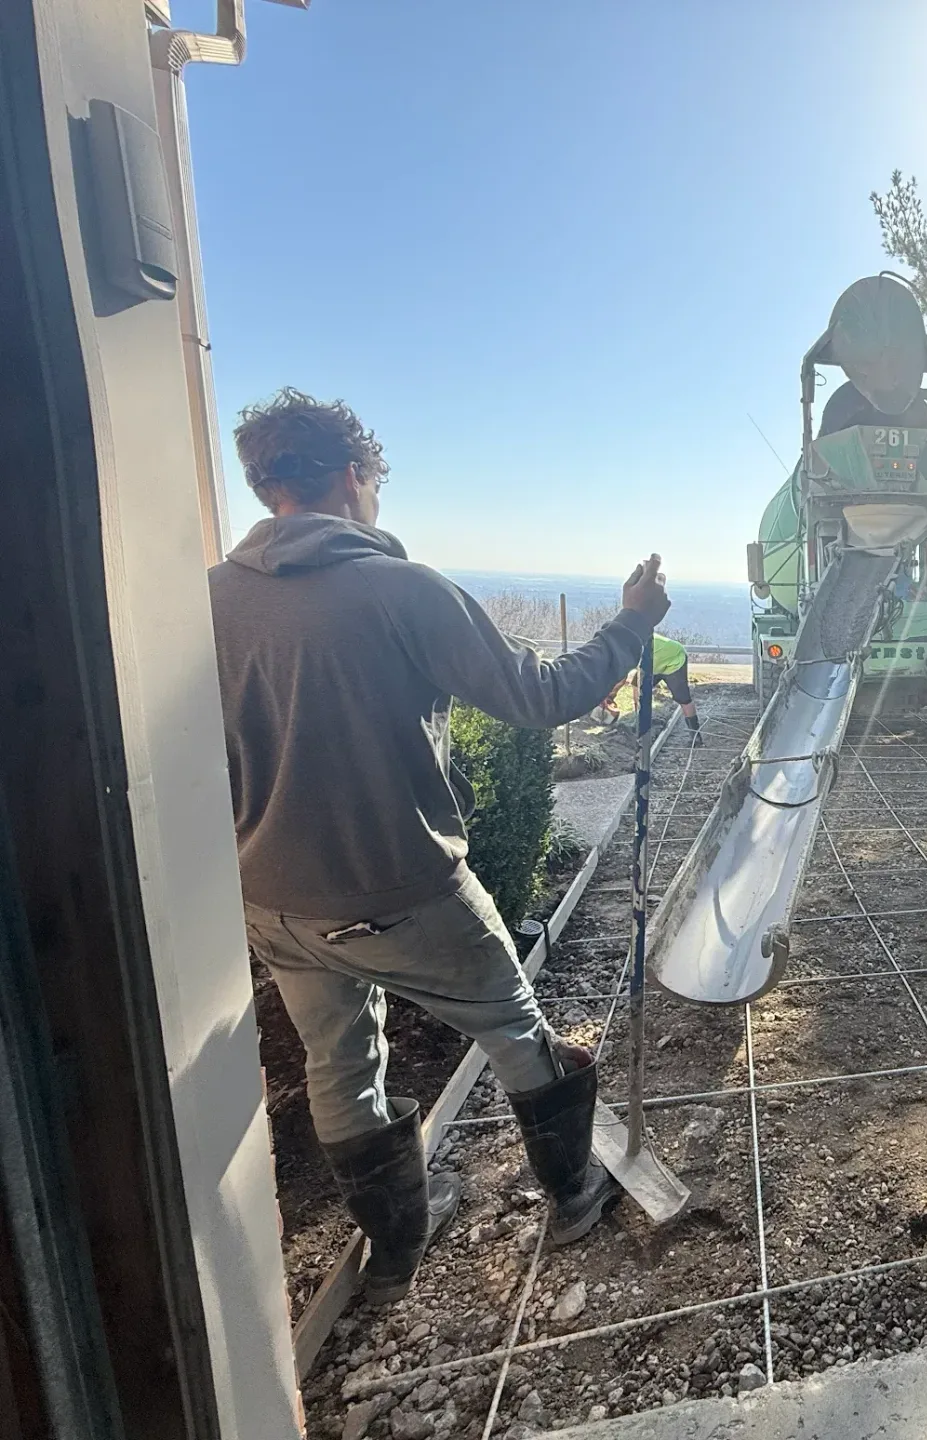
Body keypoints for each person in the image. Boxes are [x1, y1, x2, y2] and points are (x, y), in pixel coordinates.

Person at [208, 389, 669, 1307]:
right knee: (514, 1027)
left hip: (276, 904)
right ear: (351, 477)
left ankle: (395, 1252)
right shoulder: (398, 589)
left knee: (338, 1064)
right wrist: (631, 625)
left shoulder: (211, 598)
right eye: (374, 478)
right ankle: (574, 1193)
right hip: (404, 891)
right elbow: (540, 695)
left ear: (267, 487)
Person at [599, 634, 701, 741]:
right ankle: (638, 722)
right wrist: (610, 695)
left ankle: (695, 736)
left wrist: (610, 696)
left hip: (673, 659)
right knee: (637, 685)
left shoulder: (627, 646)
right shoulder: (622, 644)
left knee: (683, 698)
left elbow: (621, 677)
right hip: (653, 661)